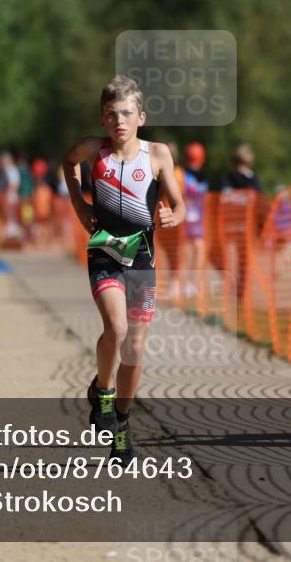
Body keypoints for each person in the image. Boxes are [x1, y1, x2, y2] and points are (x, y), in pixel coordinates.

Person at [62, 75, 186, 464]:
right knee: (116, 327)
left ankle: (121, 425)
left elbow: (180, 206)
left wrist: (172, 216)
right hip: (104, 251)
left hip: (142, 258)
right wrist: (80, 206)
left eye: (127, 114)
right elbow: (68, 164)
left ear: (141, 118)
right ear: (102, 119)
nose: (119, 121)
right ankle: (102, 388)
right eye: (112, 114)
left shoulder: (158, 154)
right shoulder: (93, 150)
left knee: (134, 347)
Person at [181, 142, 209, 299]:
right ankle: (185, 283)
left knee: (196, 248)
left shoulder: (202, 177)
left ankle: (192, 284)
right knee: (189, 249)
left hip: (196, 218)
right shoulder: (183, 175)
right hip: (186, 217)